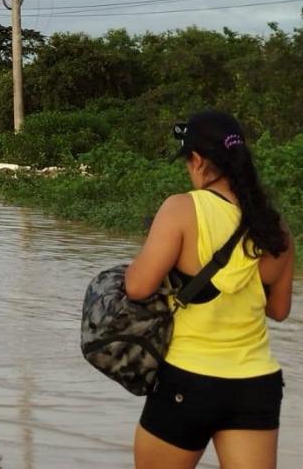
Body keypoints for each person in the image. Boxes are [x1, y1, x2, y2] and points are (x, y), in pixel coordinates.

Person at [124, 111, 293, 468]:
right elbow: (279, 310)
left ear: (198, 161)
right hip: (256, 385)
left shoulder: (181, 209)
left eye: (188, 161)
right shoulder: (275, 226)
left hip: (188, 380)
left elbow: (137, 288)